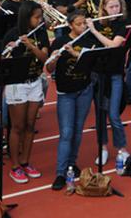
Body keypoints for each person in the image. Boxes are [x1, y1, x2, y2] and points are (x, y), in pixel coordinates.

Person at [1, 1, 49, 184]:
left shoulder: (41, 33)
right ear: (26, 17)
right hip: (17, 84)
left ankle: (25, 161)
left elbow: (44, 58)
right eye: (36, 17)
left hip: (35, 81)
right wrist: (10, 49)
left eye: (40, 17)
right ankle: (15, 166)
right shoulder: (12, 34)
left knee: (30, 125)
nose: (40, 20)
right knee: (17, 126)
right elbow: (2, 60)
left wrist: (30, 46)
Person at [47, 11, 96, 190]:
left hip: (84, 90)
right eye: (79, 24)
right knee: (66, 132)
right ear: (70, 25)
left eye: (84, 23)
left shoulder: (89, 39)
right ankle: (60, 173)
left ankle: (72, 163)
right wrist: (55, 58)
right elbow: (49, 67)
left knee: (77, 130)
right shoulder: (60, 42)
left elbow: (92, 62)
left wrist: (74, 53)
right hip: (65, 93)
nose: (83, 27)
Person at [91, 0, 131, 166]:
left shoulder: (123, 25)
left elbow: (114, 44)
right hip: (98, 75)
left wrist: (93, 31)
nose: (115, 9)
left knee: (114, 115)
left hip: (115, 75)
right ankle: (103, 148)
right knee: (100, 115)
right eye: (111, 7)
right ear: (105, 9)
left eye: (117, 6)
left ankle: (122, 148)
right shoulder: (98, 24)